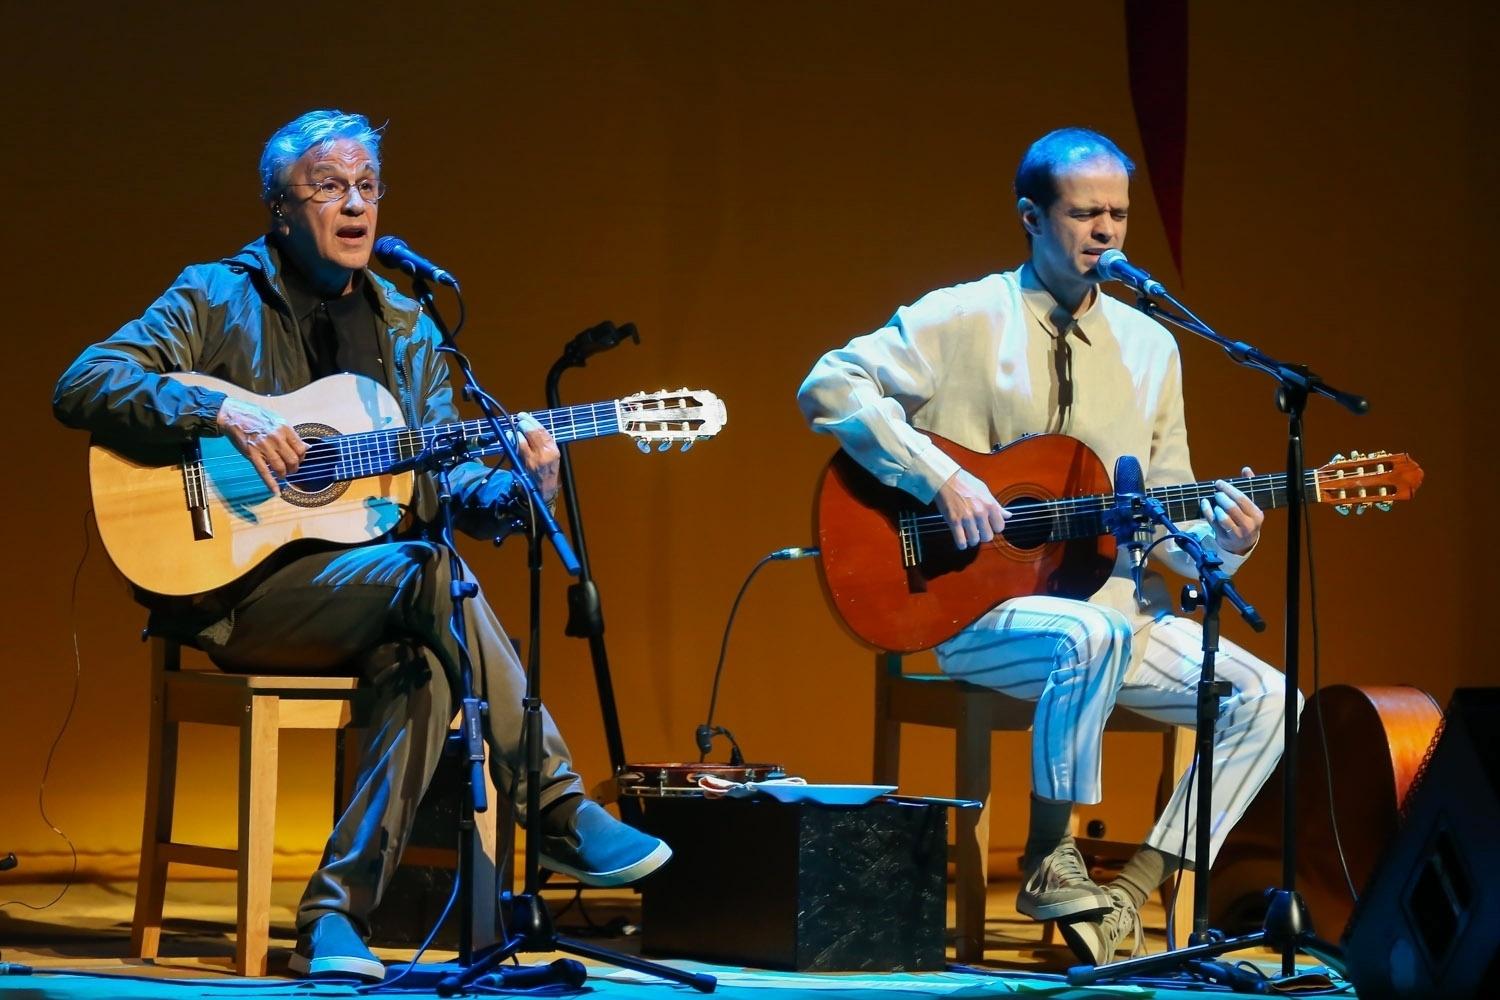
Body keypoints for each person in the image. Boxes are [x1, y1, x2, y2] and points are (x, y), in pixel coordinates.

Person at [53, 110, 670, 981]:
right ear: (280, 207)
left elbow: (445, 483)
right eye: (330, 187)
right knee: (432, 579)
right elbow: (84, 382)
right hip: (237, 593)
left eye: (368, 187)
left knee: (424, 661)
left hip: (378, 592)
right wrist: (222, 409)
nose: (355, 206)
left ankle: (333, 919)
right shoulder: (217, 294)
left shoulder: (408, 324)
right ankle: (559, 810)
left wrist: (525, 485)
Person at [797, 127, 1299, 965]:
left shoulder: (1152, 347)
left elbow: (1164, 520)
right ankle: (1047, 850)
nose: (1105, 231)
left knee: (1271, 699)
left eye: (1119, 215)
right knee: (1087, 636)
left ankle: (1129, 893)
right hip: (974, 609)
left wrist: (1225, 543)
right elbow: (828, 384)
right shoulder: (962, 316)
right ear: (1032, 216)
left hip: (1115, 611)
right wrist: (939, 478)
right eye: (1084, 213)